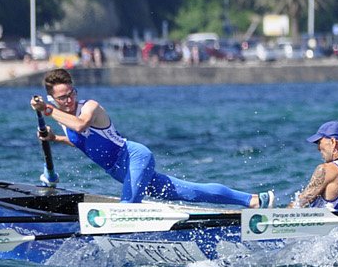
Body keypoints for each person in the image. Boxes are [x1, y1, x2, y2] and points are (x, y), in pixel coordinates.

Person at [30, 68, 271, 207]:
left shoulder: (89, 108)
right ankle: (252, 200)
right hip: (122, 172)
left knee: (126, 210)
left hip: (135, 158)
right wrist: (55, 138)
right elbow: (85, 143)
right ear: (53, 98)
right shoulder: (64, 120)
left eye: (71, 93)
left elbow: (82, 127)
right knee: (189, 192)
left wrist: (49, 112)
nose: (69, 100)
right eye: (62, 97)